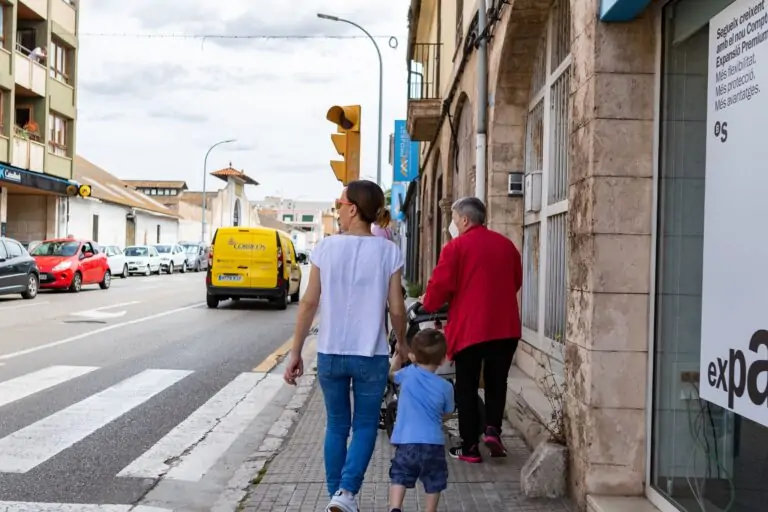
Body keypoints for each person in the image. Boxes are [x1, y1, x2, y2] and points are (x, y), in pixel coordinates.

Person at [284, 180, 407, 512]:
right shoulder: (388, 252)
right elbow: (396, 308)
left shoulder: (326, 248)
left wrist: (296, 351)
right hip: (371, 355)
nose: (336, 210)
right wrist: (404, 346)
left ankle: (336, 496)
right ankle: (347, 494)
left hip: (330, 353)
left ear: (353, 208)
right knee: (365, 424)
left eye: (339, 204)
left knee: (337, 425)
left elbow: (309, 303)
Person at [420, 196, 522, 463]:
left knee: (465, 386)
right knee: (497, 382)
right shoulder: (507, 245)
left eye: (454, 220)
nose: (453, 225)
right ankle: (492, 430)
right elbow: (516, 281)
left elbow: (440, 285)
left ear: (465, 220)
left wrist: (427, 303)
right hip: (506, 327)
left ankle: (470, 448)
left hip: (471, 329)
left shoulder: (456, 248)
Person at [388, 328, 453, 512]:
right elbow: (447, 413)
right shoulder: (446, 387)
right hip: (433, 444)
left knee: (399, 474)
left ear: (413, 357)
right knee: (434, 479)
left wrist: (397, 360)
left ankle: (395, 508)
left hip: (406, 442)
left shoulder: (407, 374)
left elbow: (392, 375)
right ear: (442, 360)